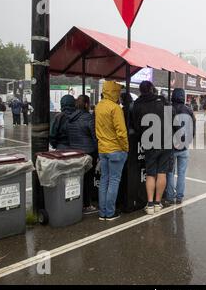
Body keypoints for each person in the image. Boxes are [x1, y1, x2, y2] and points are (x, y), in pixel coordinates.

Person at [132, 81, 173, 215]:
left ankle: (149, 204)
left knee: (150, 173)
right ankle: (157, 203)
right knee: (162, 172)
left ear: (141, 90)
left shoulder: (138, 104)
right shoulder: (163, 101)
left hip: (149, 141)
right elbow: (172, 119)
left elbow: (136, 125)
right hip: (166, 141)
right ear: (152, 89)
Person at [95, 81, 129, 221]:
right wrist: (125, 148)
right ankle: (110, 213)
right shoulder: (115, 108)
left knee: (104, 180)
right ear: (114, 92)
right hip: (115, 149)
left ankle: (102, 212)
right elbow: (121, 132)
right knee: (114, 181)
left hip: (102, 149)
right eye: (118, 92)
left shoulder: (99, 106)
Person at [67, 95, 99, 215]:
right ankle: (87, 204)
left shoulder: (71, 118)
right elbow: (94, 136)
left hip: (75, 152)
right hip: (89, 152)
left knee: (78, 179)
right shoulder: (88, 118)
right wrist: (98, 150)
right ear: (86, 104)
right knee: (88, 180)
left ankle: (77, 202)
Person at [165, 88, 196, 205]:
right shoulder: (189, 110)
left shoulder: (169, 109)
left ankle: (169, 196)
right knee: (182, 173)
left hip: (171, 147)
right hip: (184, 147)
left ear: (173, 96)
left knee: (170, 172)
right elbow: (193, 128)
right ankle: (179, 197)